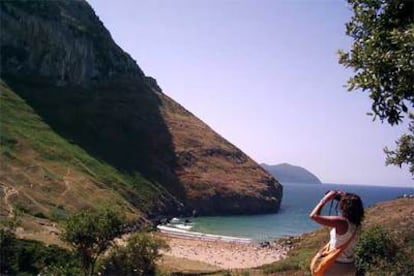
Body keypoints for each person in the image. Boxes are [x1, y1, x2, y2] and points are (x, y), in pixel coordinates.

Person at [309, 190, 364, 276]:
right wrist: (341, 197)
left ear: (344, 206)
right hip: (350, 266)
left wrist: (325, 199)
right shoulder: (356, 224)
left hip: (335, 267)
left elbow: (313, 216)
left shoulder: (342, 222)